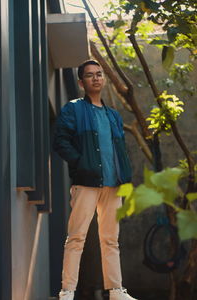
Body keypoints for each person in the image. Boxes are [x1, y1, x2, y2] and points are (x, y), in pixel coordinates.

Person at [53, 60, 137, 300]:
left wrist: (126, 178)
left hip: (113, 185)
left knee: (111, 239)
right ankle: (67, 291)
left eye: (99, 74)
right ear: (81, 82)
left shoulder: (113, 115)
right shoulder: (74, 109)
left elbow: (120, 151)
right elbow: (61, 141)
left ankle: (116, 290)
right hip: (86, 183)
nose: (96, 78)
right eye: (90, 75)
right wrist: (81, 163)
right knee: (76, 237)